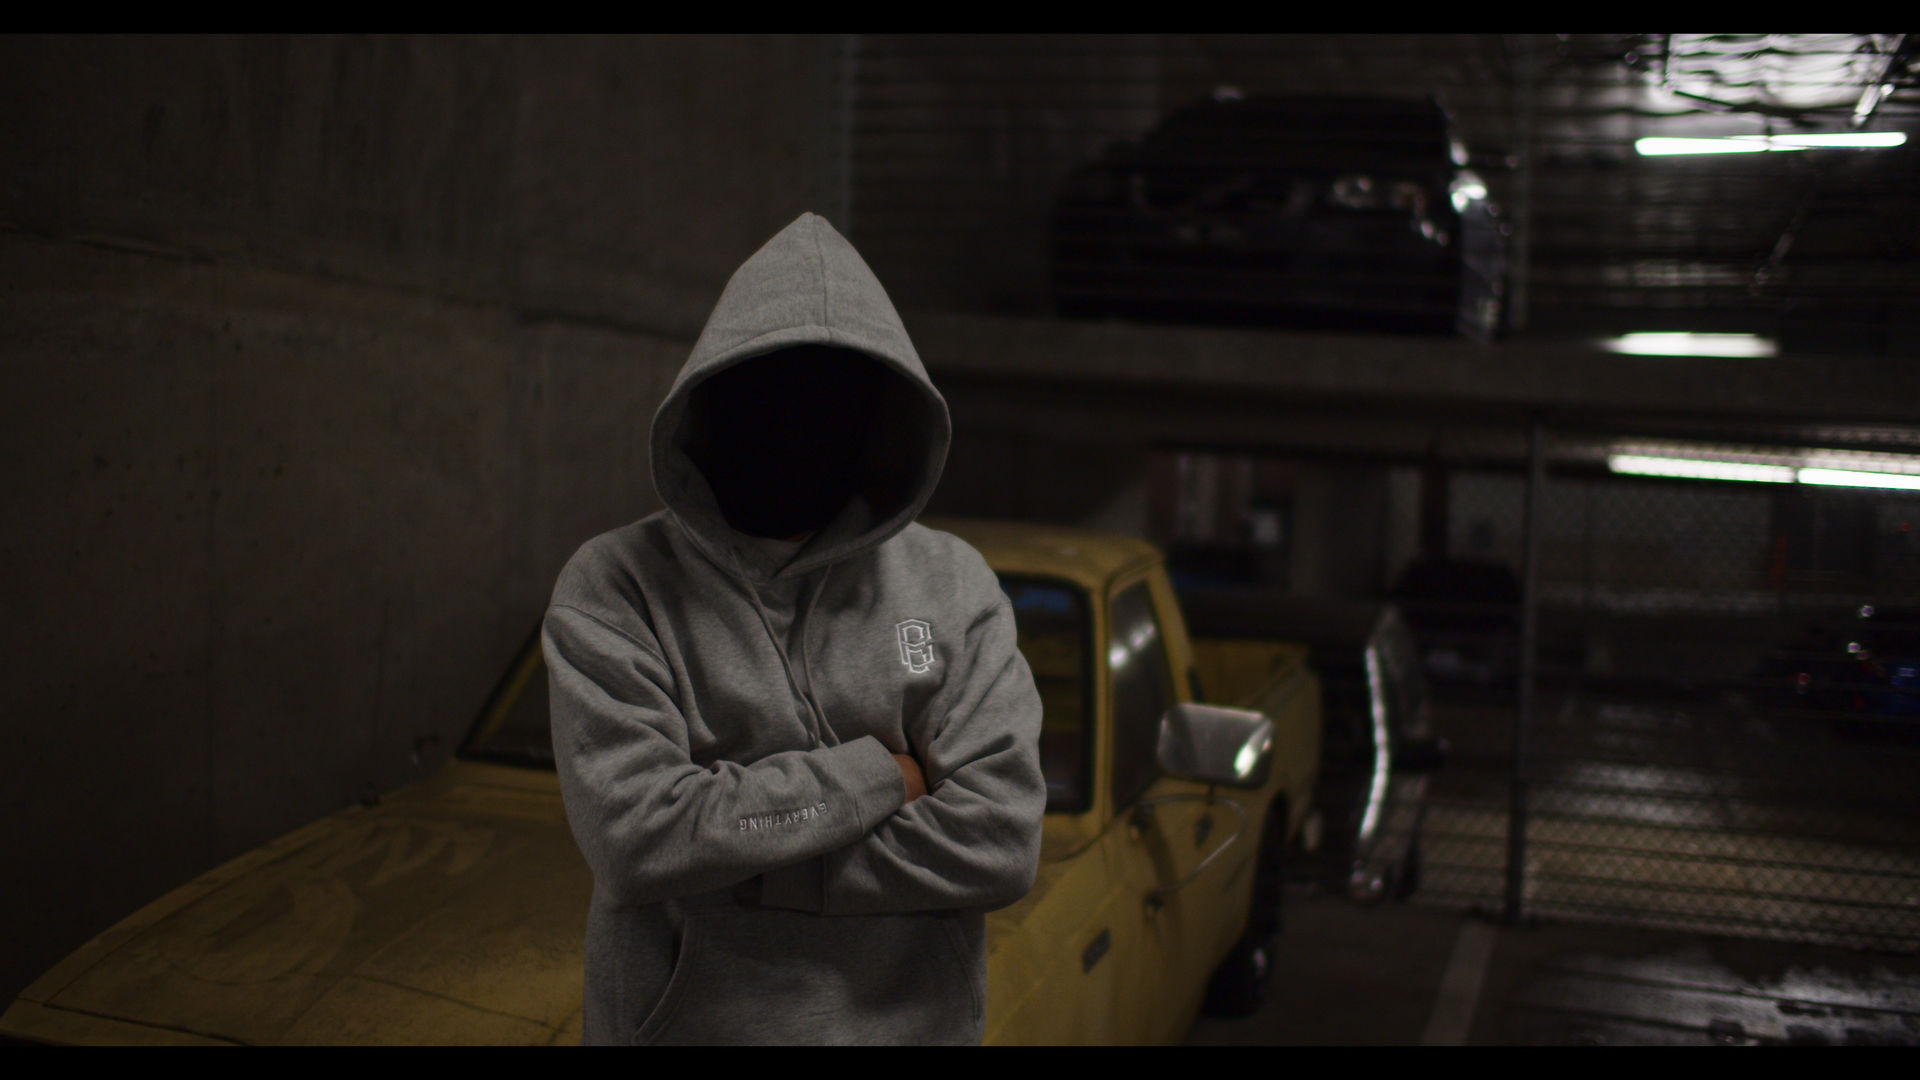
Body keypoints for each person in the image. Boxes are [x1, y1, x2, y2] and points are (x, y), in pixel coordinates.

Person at [542, 212, 1046, 1046]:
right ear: (709, 400)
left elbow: (999, 840)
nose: (798, 424)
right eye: (770, 393)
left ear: (881, 418)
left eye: (832, 400)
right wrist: (882, 776)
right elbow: (637, 839)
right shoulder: (617, 585)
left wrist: (747, 863)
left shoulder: (949, 587)